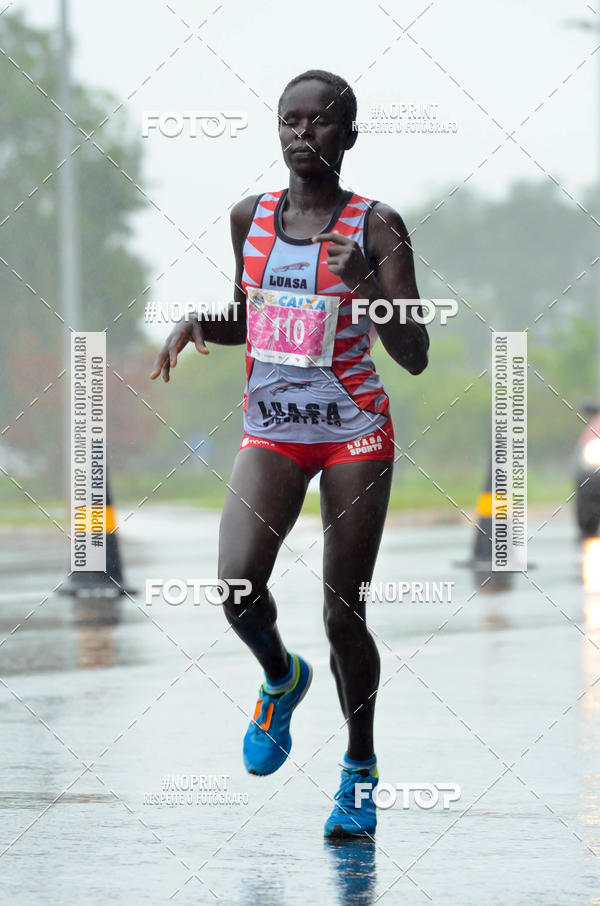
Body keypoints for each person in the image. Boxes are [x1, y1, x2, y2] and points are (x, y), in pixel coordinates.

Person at [150, 69, 429, 838]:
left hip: (353, 431)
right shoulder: (252, 216)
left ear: (350, 134)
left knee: (344, 614)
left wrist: (367, 282)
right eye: (289, 121)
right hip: (273, 424)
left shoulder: (378, 227)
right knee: (237, 587)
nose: (303, 134)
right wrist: (200, 322)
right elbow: (251, 312)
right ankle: (281, 677)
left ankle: (360, 772)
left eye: (321, 122)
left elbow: (414, 352)